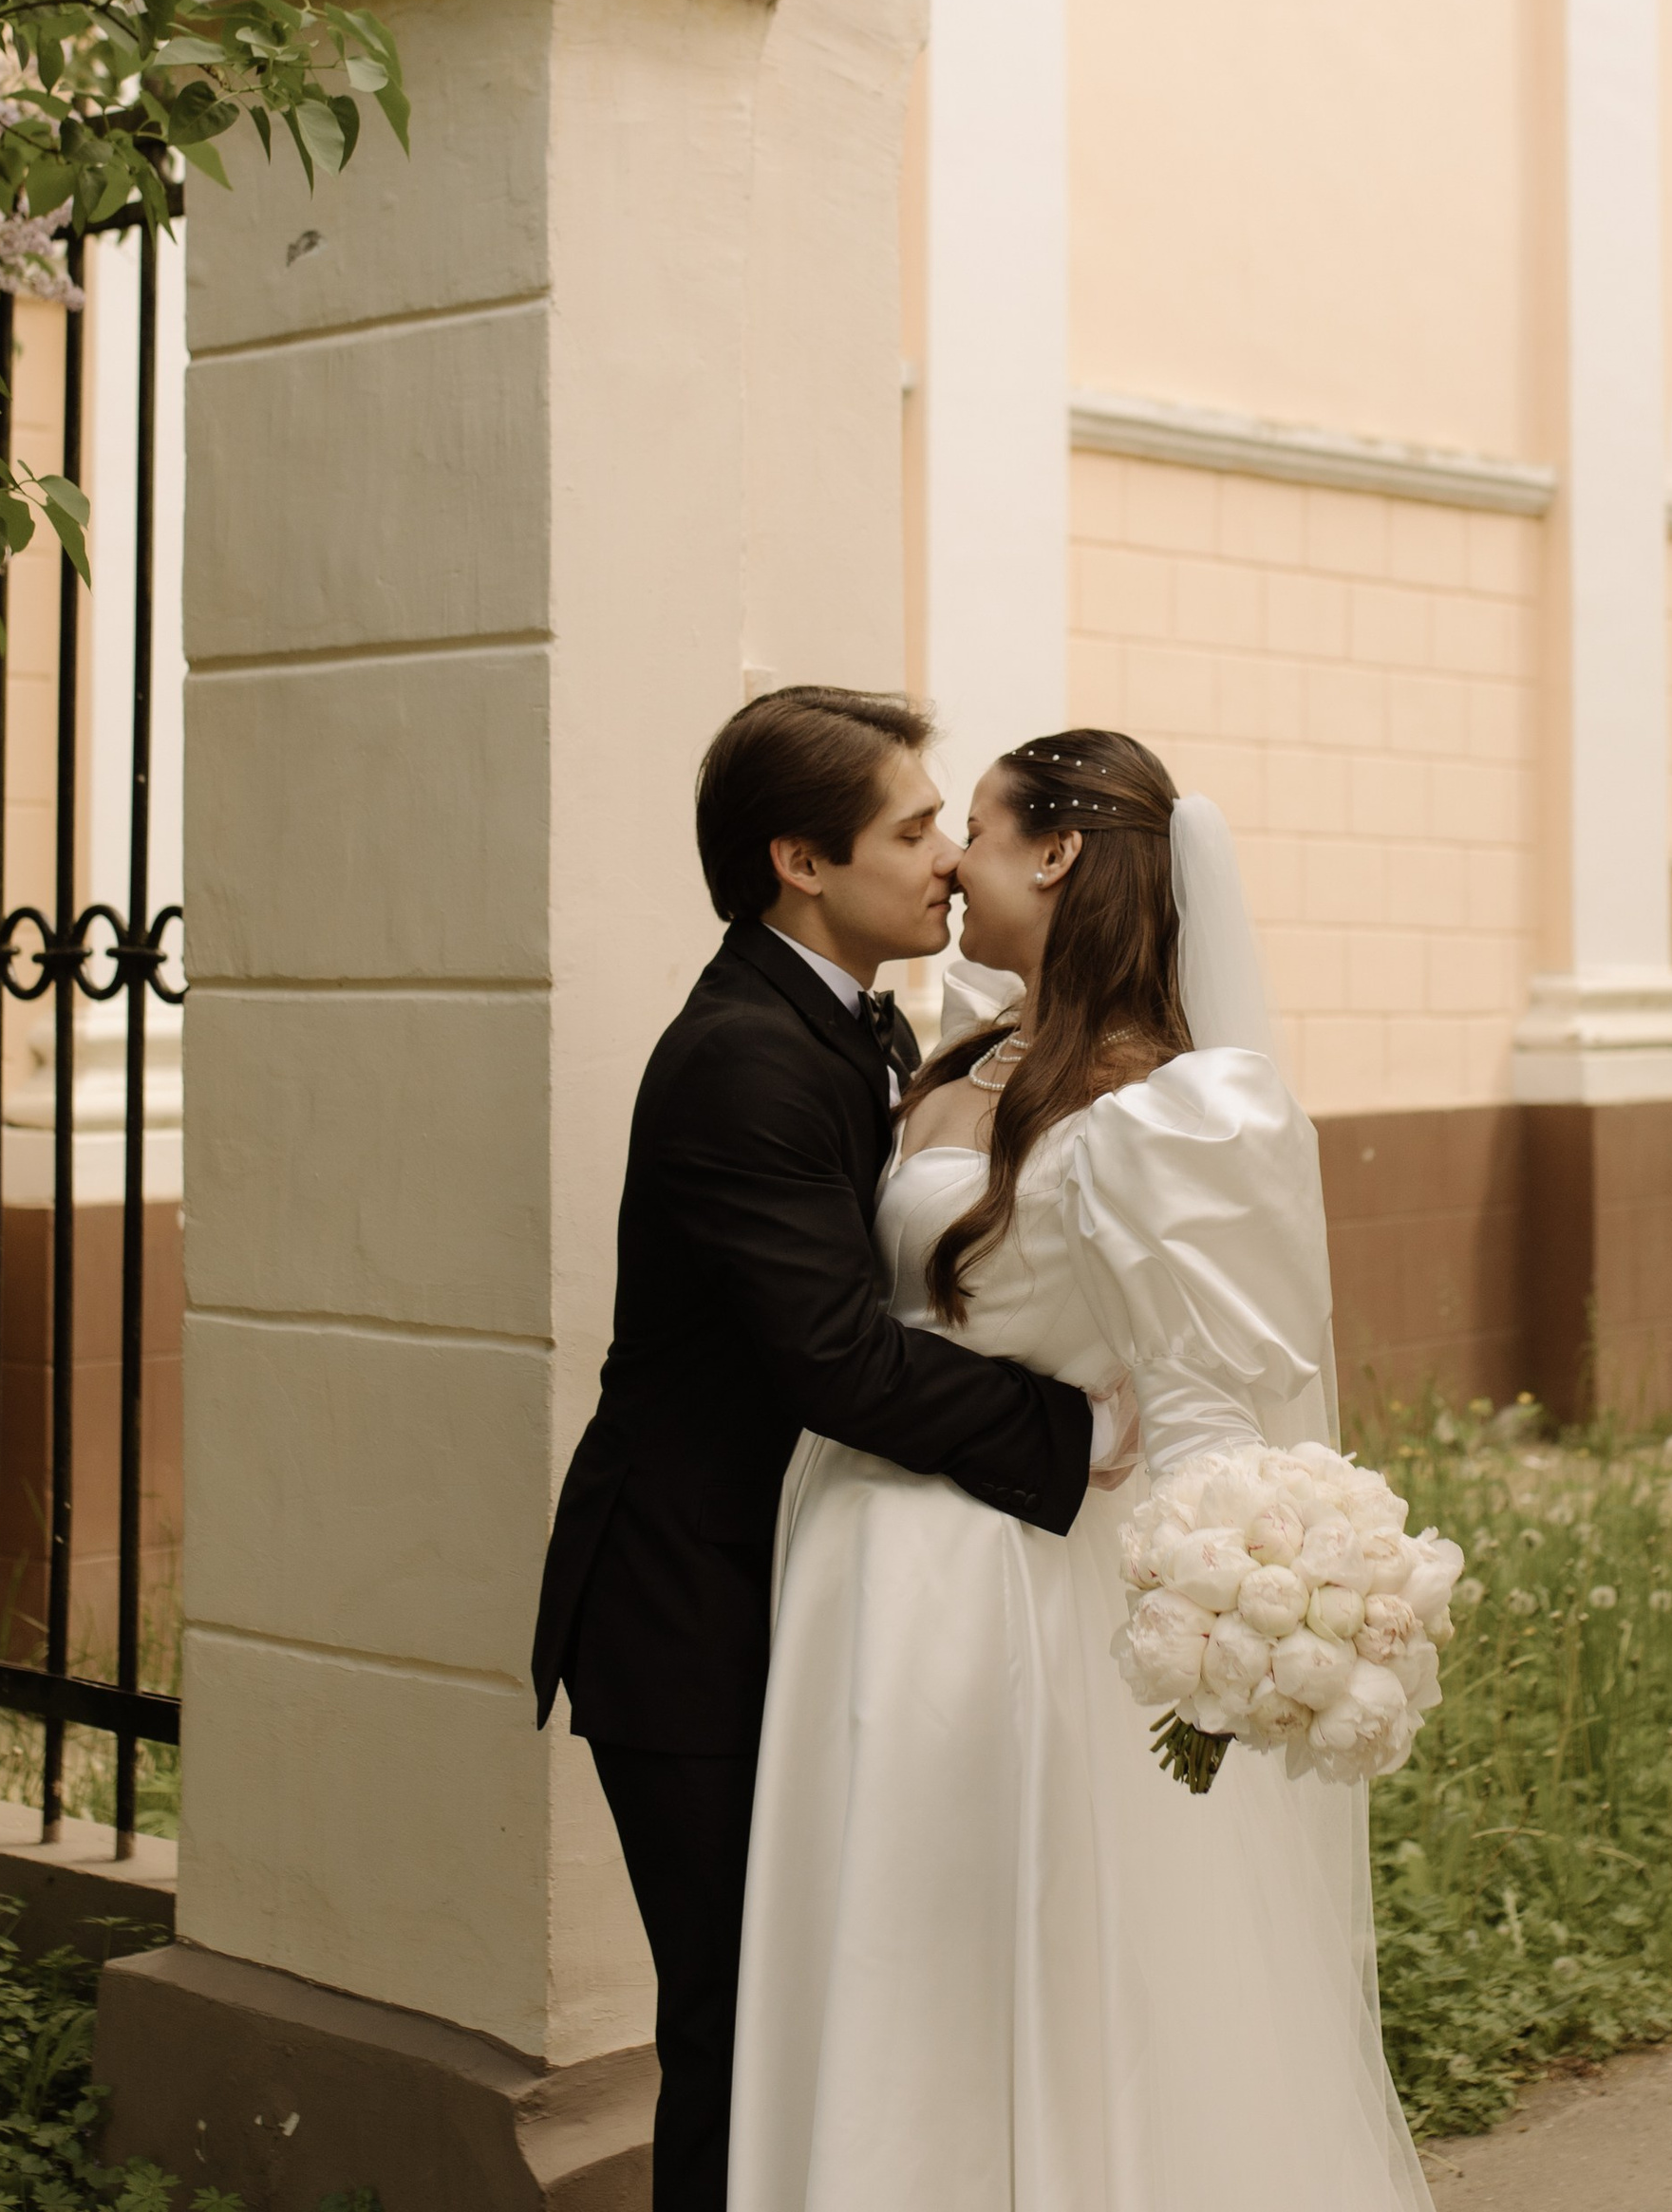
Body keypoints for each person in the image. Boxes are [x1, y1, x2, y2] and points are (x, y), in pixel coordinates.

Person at [728, 728, 1434, 2212]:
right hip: (865, 1562)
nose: (945, 861)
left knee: (1004, 1964)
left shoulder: (1162, 1109)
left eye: (965, 827)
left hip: (1002, 1588)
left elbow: (1210, 1397)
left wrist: (1241, 1611)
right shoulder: (969, 1046)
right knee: (883, 1957)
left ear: (1055, 850)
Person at [531, 688, 1138, 2212]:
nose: (947, 859)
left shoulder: (867, 1023)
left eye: (949, 825)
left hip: (796, 1581)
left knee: (816, 2020)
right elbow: (836, 1357)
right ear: (802, 860)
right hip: (686, 1600)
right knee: (739, 2033)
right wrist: (1075, 1436)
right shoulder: (744, 1052)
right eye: (914, 827)